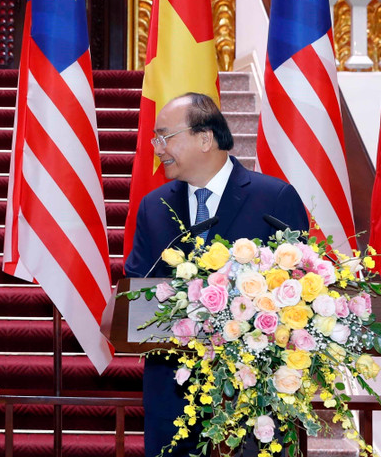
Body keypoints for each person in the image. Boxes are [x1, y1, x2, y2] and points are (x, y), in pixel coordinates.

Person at [124, 92, 309, 457]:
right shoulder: (154, 206)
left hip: (254, 396)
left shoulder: (273, 198)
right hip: (173, 396)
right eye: (155, 138)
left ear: (205, 138)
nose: (157, 147)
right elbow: (135, 291)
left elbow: (299, 290)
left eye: (165, 136)